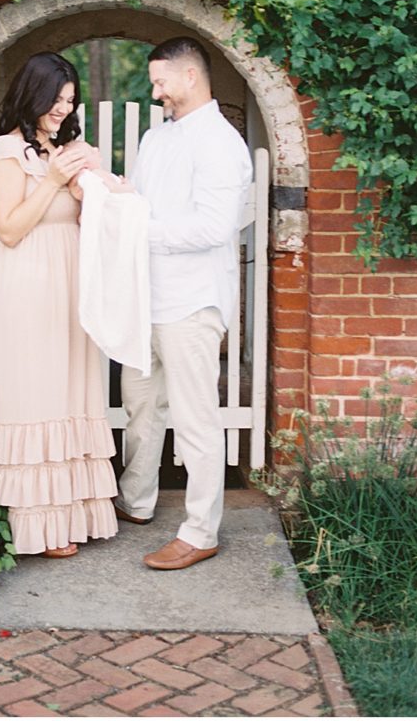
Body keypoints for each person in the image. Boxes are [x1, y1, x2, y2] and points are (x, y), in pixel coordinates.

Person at [114, 37, 253, 570]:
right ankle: (137, 500)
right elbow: (144, 204)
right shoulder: (157, 138)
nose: (156, 92)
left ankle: (200, 530)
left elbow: (214, 228)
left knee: (196, 419)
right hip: (147, 298)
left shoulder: (220, 142)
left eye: (161, 81)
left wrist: (139, 231)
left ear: (190, 76)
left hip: (193, 302)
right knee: (141, 405)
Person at [0, 51, 119, 558]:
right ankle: (38, 523)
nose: (63, 109)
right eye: (55, 100)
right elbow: (10, 229)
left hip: (71, 284)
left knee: (73, 392)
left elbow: (102, 215)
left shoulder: (67, 149)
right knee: (37, 395)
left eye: (70, 101)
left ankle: (72, 514)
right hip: (27, 285)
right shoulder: (5, 152)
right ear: (31, 95)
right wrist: (55, 181)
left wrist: (98, 179)